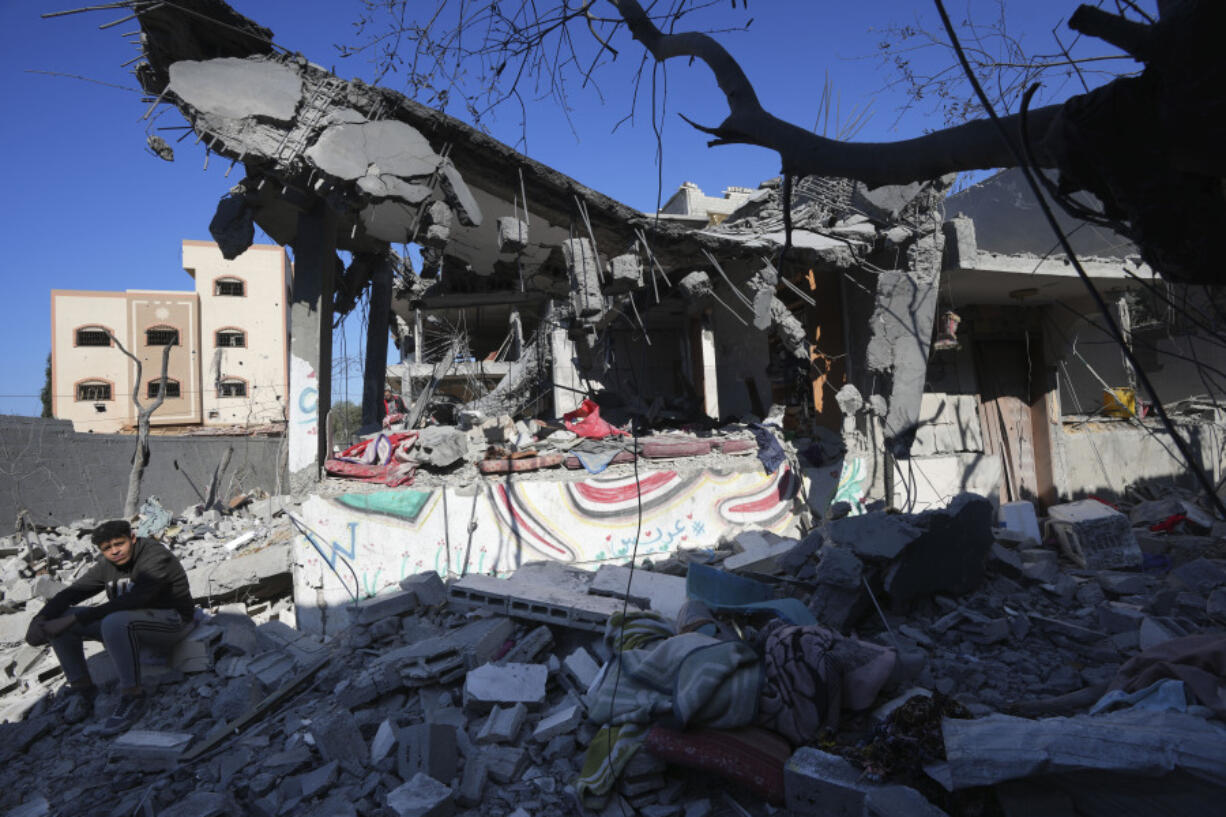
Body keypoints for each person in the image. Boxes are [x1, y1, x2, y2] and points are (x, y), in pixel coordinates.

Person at [26, 519, 195, 733]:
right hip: (133, 623)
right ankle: (83, 691)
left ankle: (133, 695)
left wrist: (76, 619)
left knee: (113, 620)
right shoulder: (108, 565)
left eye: (119, 544)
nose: (115, 551)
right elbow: (74, 592)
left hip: (173, 621)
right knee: (63, 616)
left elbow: (135, 600)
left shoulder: (154, 556)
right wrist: (41, 619)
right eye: (107, 548)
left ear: (132, 538)